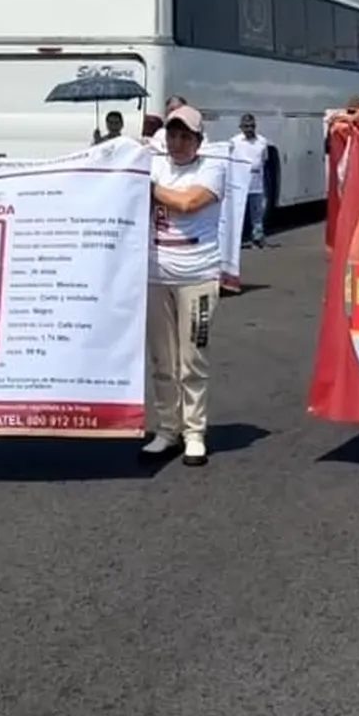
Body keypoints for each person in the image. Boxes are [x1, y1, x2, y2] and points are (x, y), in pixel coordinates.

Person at [141, 103, 226, 467]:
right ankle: (167, 429)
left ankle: (195, 432)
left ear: (198, 140)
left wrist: (148, 188)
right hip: (156, 276)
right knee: (162, 360)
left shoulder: (212, 168)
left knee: (193, 359)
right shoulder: (155, 164)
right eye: (172, 135)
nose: (177, 142)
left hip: (198, 276)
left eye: (185, 136)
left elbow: (187, 203)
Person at [231, 113, 270, 248]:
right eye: (246, 126)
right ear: (241, 127)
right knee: (238, 214)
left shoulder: (262, 142)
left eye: (252, 126)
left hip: (256, 184)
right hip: (240, 184)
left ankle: (258, 238)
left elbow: (264, 160)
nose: (249, 129)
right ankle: (236, 240)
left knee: (257, 213)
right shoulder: (234, 142)